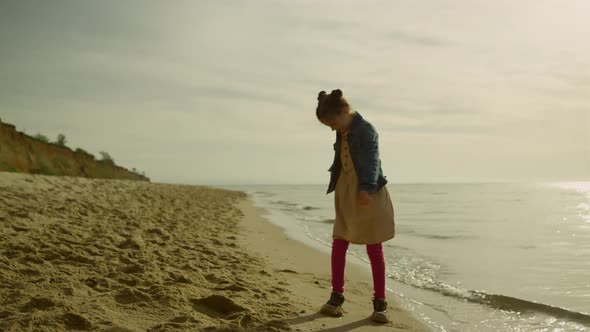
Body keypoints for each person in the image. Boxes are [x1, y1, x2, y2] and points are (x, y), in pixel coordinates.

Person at [315, 89, 395, 324]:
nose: (331, 128)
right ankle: (336, 296)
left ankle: (380, 303)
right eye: (327, 125)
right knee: (339, 241)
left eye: (332, 122)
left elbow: (372, 159)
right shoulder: (342, 130)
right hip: (345, 191)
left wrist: (367, 188)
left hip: (368, 192)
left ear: (344, 111)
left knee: (374, 246)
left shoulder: (366, 129)